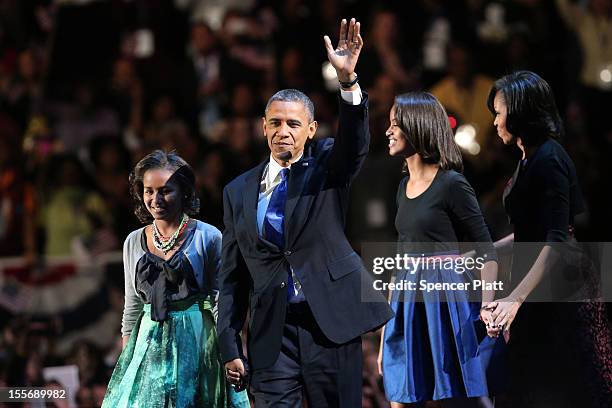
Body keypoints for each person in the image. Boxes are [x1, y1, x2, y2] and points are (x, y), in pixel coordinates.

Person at [217, 18, 393, 407]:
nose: (284, 130)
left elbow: (355, 145)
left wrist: (348, 83)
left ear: (311, 130)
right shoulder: (237, 191)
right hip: (270, 334)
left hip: (329, 325)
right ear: (263, 127)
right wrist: (229, 342)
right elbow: (232, 275)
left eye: (294, 124)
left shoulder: (327, 165)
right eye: (276, 123)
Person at [485, 70, 612, 407]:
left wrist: (515, 299)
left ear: (521, 112)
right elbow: (531, 233)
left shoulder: (551, 158)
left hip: (561, 291)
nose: (495, 122)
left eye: (499, 113)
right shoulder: (528, 158)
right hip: (537, 287)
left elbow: (556, 239)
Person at [378, 92, 505, 407]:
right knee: (401, 394)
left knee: (456, 396)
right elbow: (398, 264)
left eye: (396, 124)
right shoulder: (401, 187)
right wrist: (385, 336)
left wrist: (488, 307)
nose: (388, 131)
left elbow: (486, 251)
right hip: (407, 302)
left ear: (417, 127)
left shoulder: (451, 184)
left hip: (444, 301)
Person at [102, 150, 248, 408]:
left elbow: (219, 302)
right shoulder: (133, 241)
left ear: (184, 192)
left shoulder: (208, 236)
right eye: (149, 191)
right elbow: (132, 306)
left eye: (165, 190)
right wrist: (129, 360)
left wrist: (230, 352)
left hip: (197, 339)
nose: (155, 199)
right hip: (149, 342)